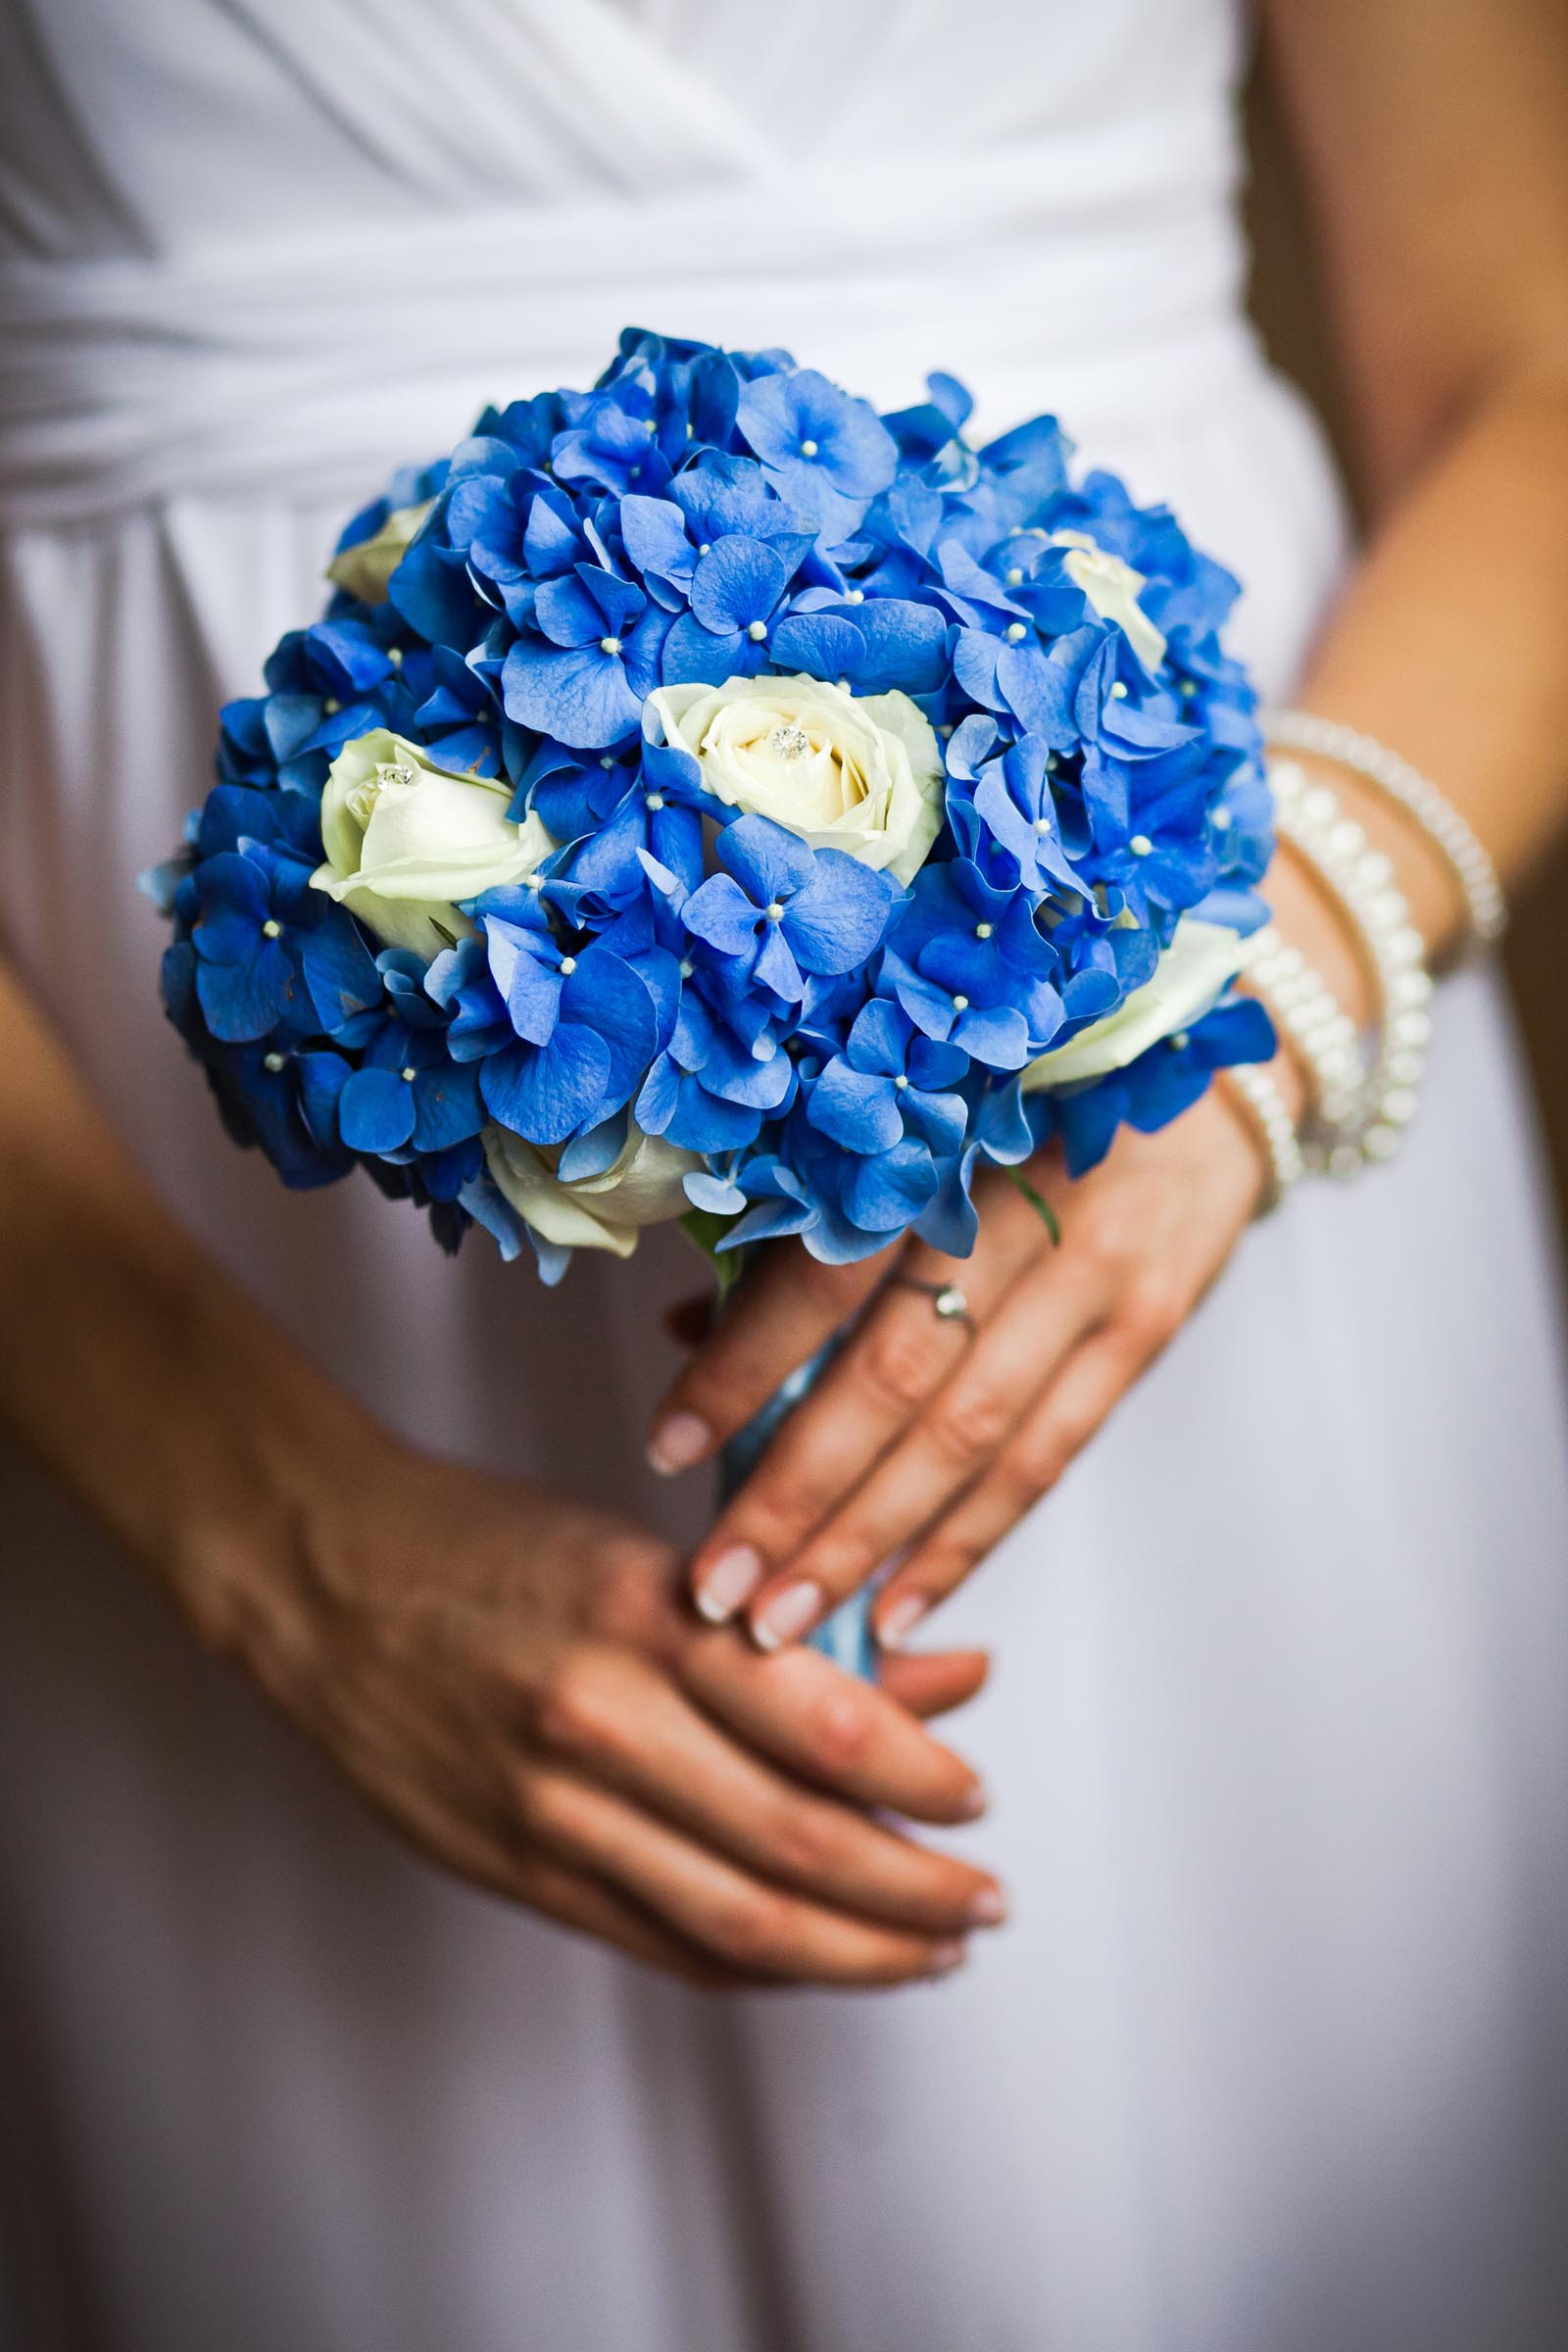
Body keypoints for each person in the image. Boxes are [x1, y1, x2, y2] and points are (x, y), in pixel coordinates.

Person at [2, 1, 1566, 2345]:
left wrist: (1247, 1028)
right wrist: (269, 1529)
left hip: (1188, 1083)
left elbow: (1524, 364)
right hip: (162, 1234)